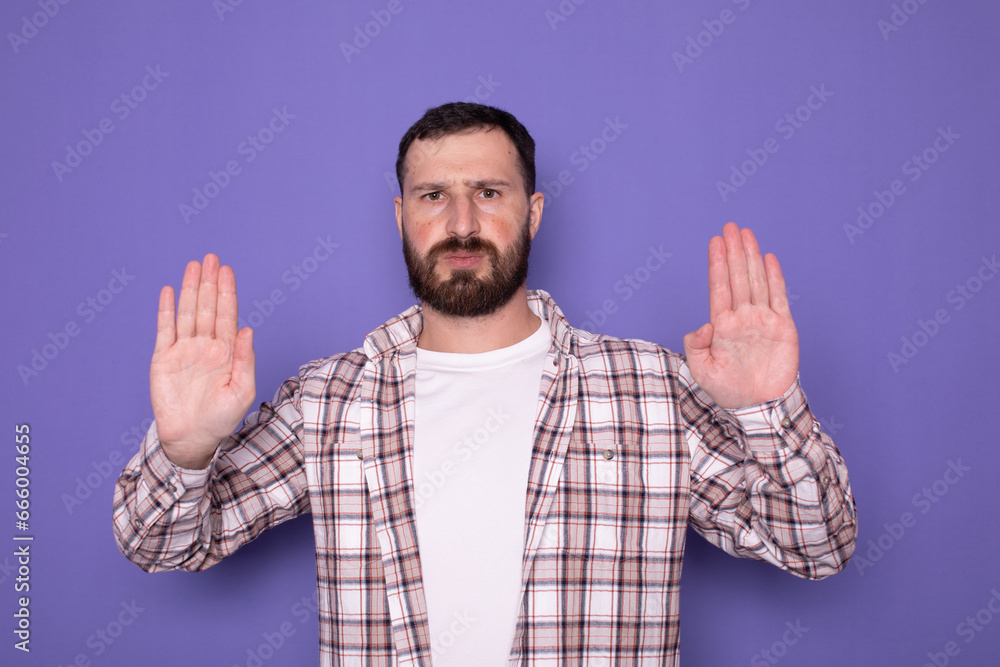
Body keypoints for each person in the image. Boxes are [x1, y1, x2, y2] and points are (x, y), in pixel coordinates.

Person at [113, 102, 857, 665]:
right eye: (433, 195)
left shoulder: (650, 389)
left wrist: (767, 411)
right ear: (400, 216)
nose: (462, 223)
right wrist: (186, 449)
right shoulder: (330, 400)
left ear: (533, 213)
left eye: (490, 193)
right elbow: (161, 545)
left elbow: (817, 547)